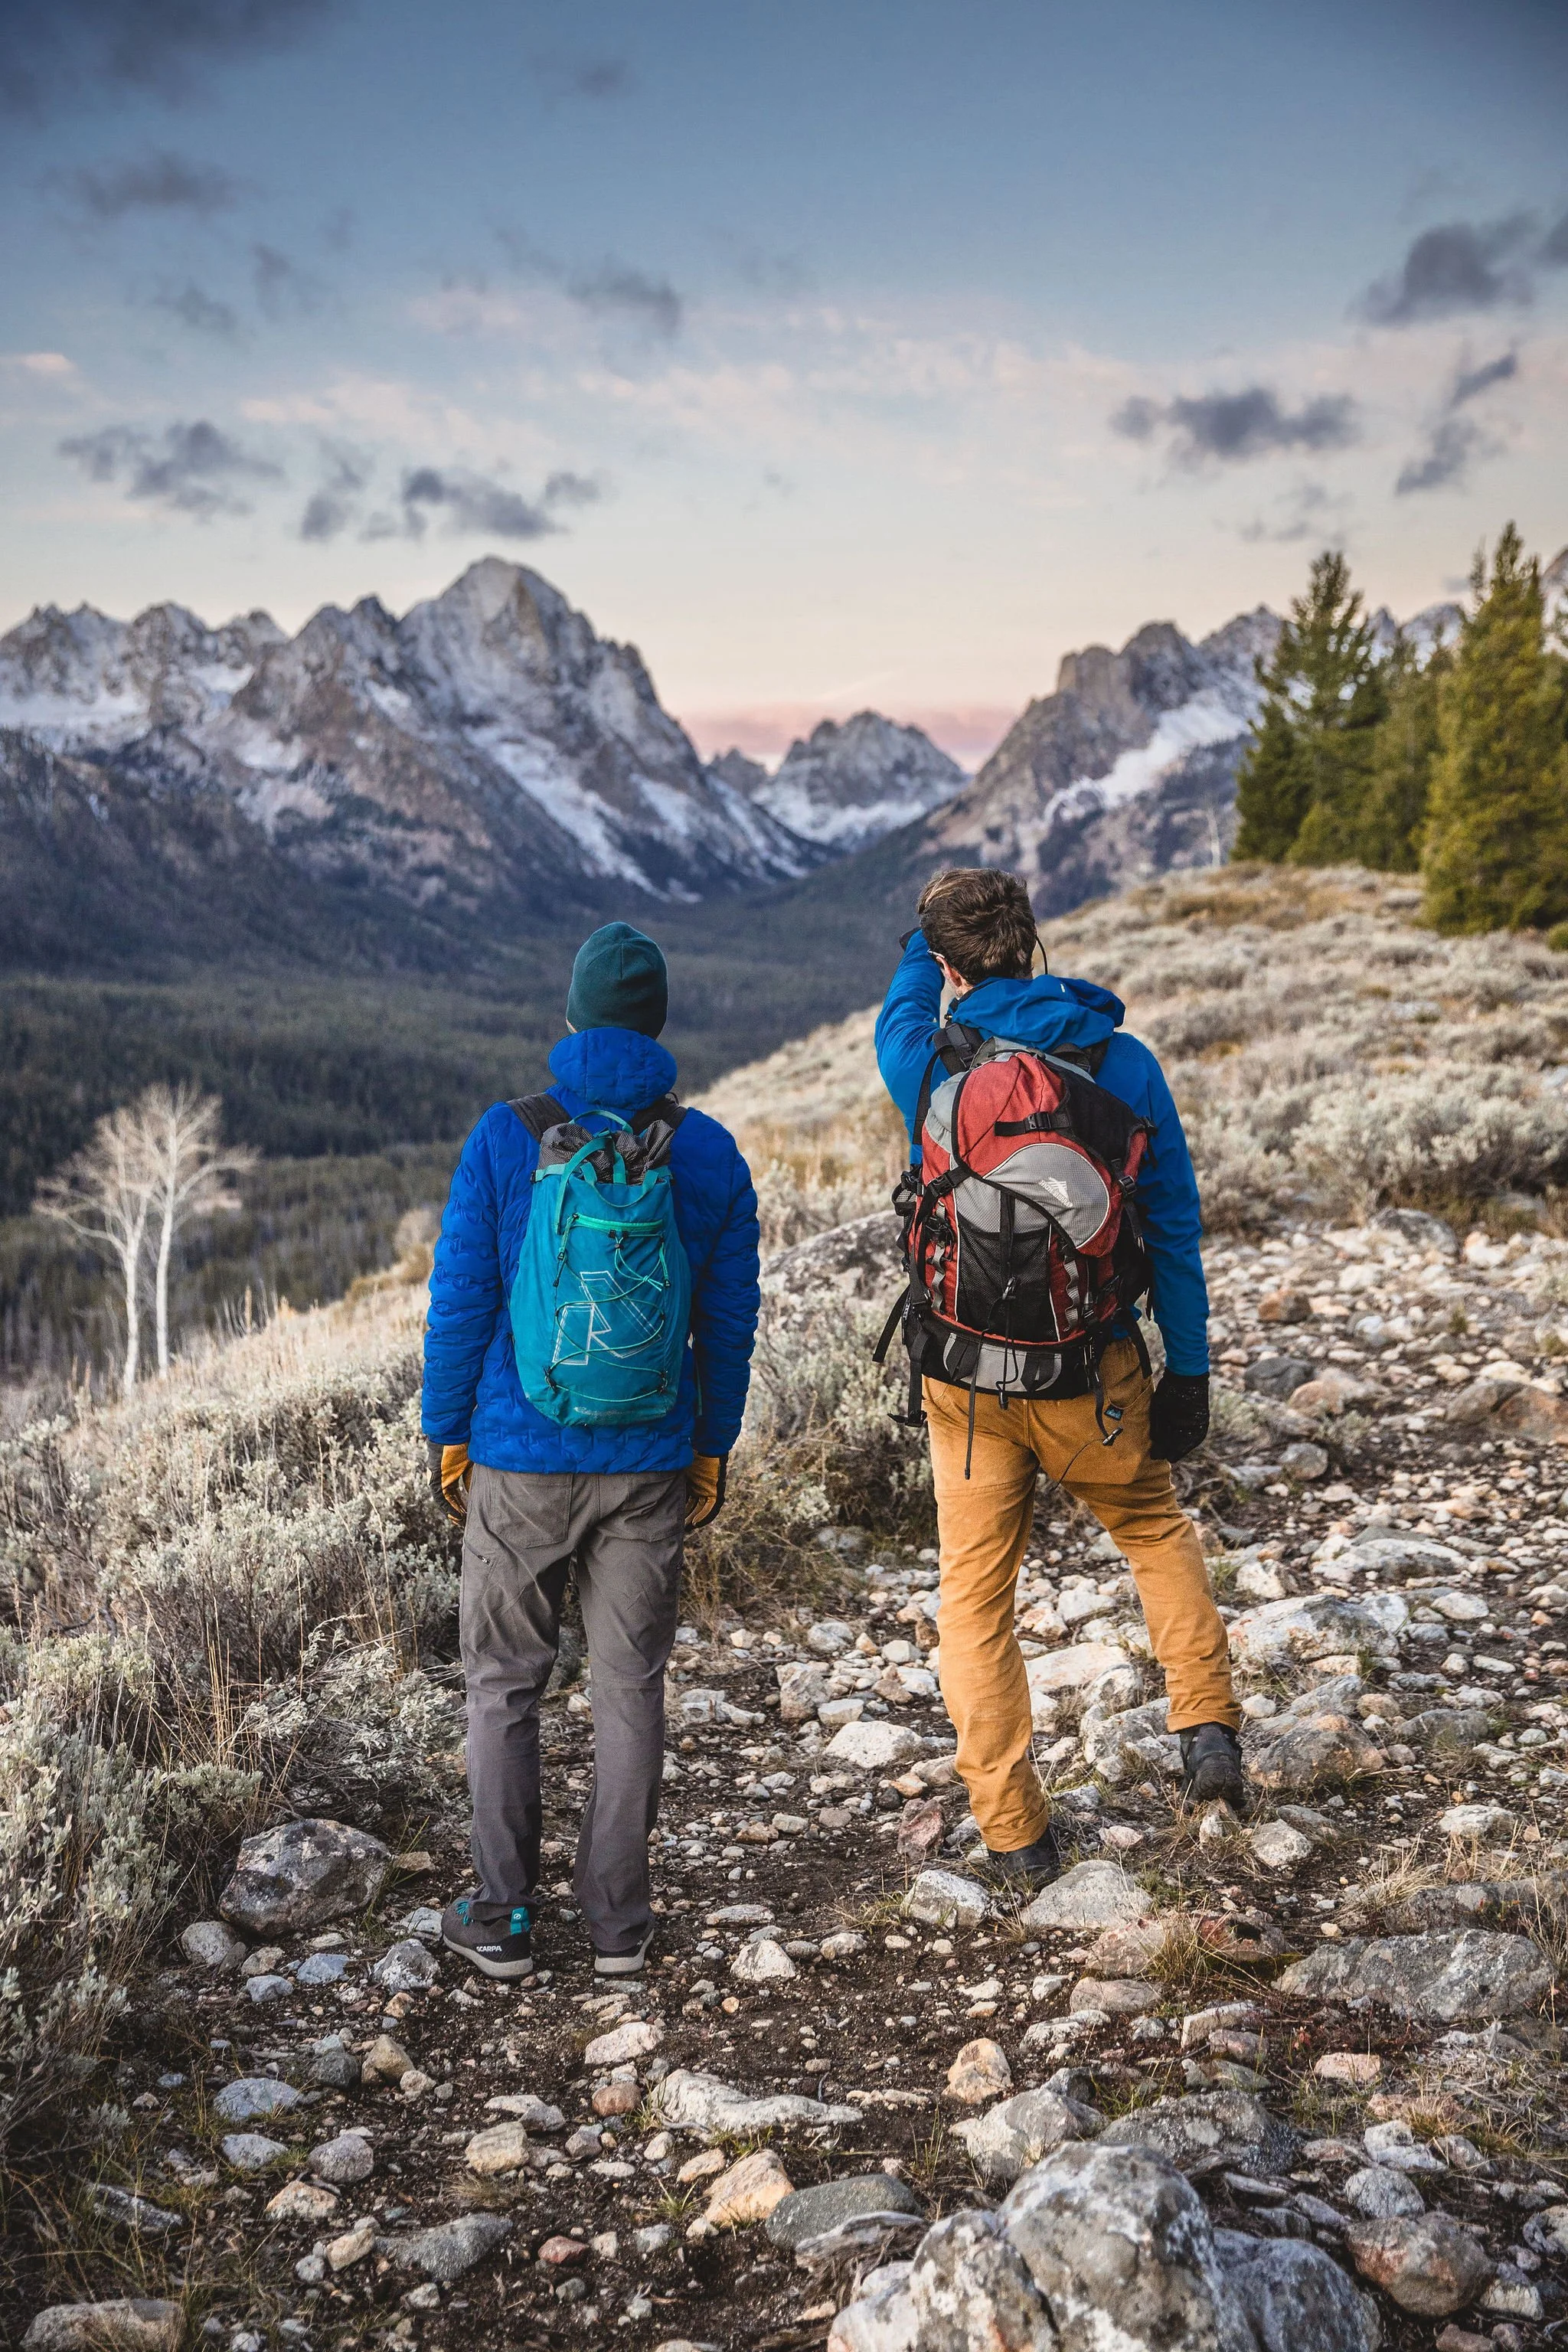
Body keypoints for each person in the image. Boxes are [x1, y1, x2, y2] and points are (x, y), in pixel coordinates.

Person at [875, 867, 1243, 1887]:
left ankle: (1015, 1833)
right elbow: (1171, 1227)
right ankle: (1206, 1730)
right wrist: (1190, 1367)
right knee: (1154, 1527)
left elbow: (904, 1002)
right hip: (1094, 1370)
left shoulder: (923, 1060)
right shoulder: (1119, 1062)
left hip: (966, 1382)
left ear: (949, 966)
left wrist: (926, 947)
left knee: (976, 1599)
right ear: (1034, 945)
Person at [422, 920, 760, 1979]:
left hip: (520, 1457)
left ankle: (503, 1918)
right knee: (628, 1686)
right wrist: (711, 1443)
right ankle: (618, 1925)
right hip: (651, 1459)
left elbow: (463, 1298)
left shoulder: (506, 1134)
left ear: (571, 1019)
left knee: (504, 1685)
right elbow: (729, 1319)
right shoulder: (704, 1148)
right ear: (658, 1025)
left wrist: (448, 1431)